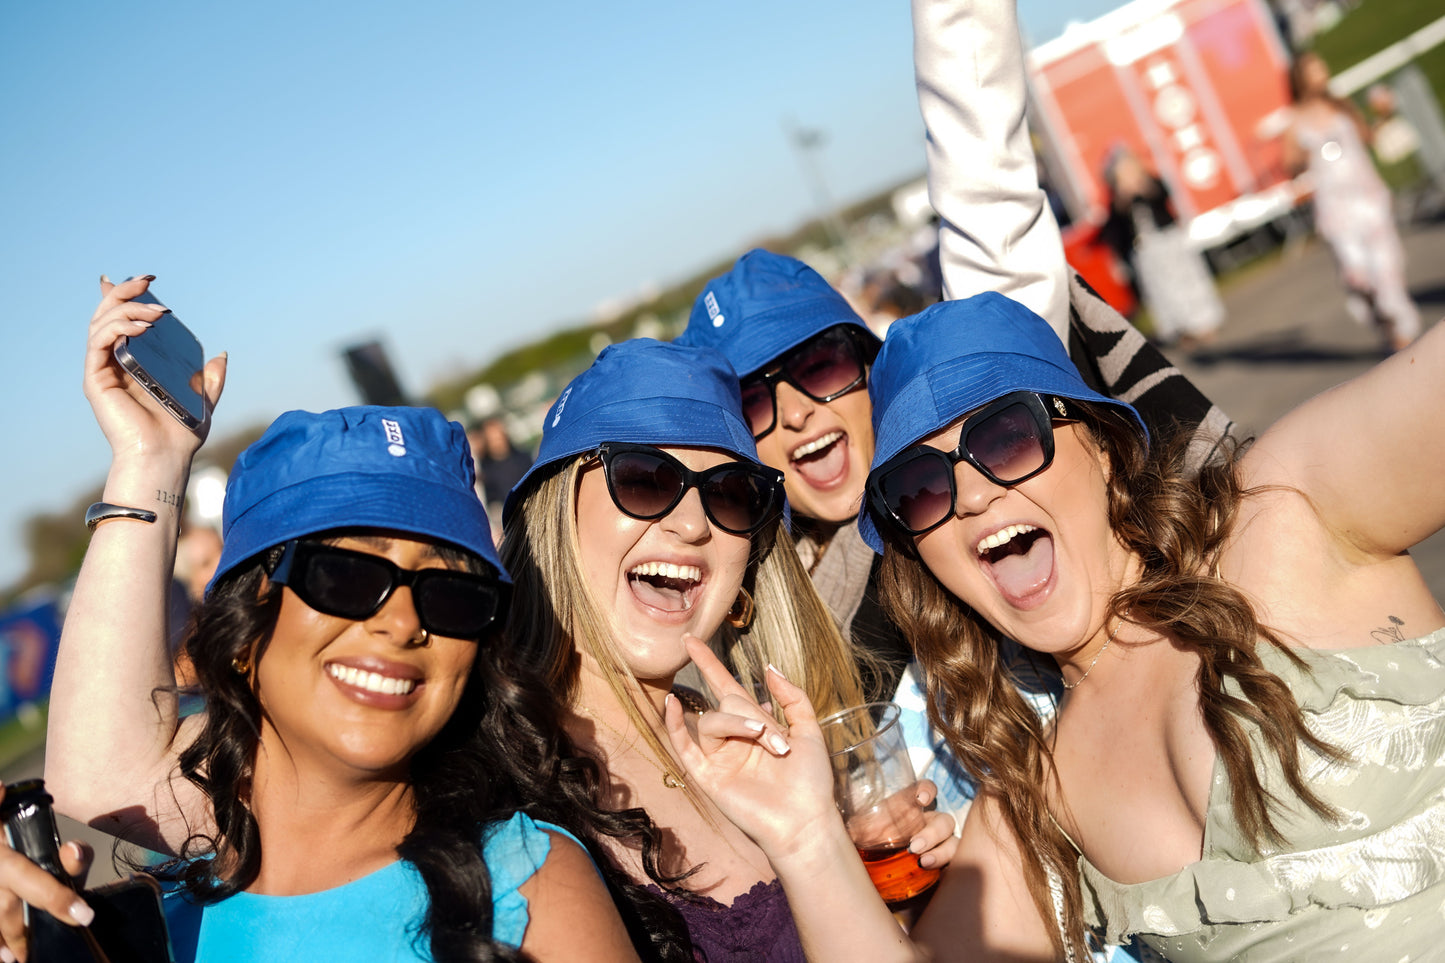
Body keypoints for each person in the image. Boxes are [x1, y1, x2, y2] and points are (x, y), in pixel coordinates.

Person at [668, 290, 1445, 962]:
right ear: (918, 549)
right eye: (921, 485)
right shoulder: (1035, 794)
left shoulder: (1286, 517)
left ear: (1103, 448)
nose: (970, 495)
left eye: (1005, 436)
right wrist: (805, 836)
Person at [26, 275, 645, 962]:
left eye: (451, 595)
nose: (403, 621)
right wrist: (149, 460)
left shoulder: (531, 886)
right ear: (243, 631)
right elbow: (95, 777)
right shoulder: (154, 922)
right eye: (349, 577)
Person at [498, 338, 957, 962]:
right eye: (644, 479)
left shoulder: (761, 756)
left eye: (729, 493)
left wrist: (821, 850)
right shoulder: (494, 790)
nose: (692, 524)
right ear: (556, 510)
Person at [1283, 51, 1421, 351]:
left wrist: (1383, 111)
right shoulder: (1295, 120)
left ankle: (1401, 333)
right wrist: (1304, 158)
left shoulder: (1341, 105)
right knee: (1356, 273)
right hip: (1334, 204)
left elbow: (1368, 136)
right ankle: (1385, 320)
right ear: (1300, 78)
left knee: (1384, 265)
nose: (1322, 74)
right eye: (1314, 70)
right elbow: (1290, 163)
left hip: (1366, 195)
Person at [1098, 146, 1225, 350]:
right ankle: (1180, 328)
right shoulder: (1117, 200)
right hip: (1145, 250)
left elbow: (1162, 197)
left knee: (1187, 280)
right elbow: (1115, 227)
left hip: (1168, 239)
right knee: (1161, 290)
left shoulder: (1151, 183)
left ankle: (1204, 323)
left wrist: (1140, 187)